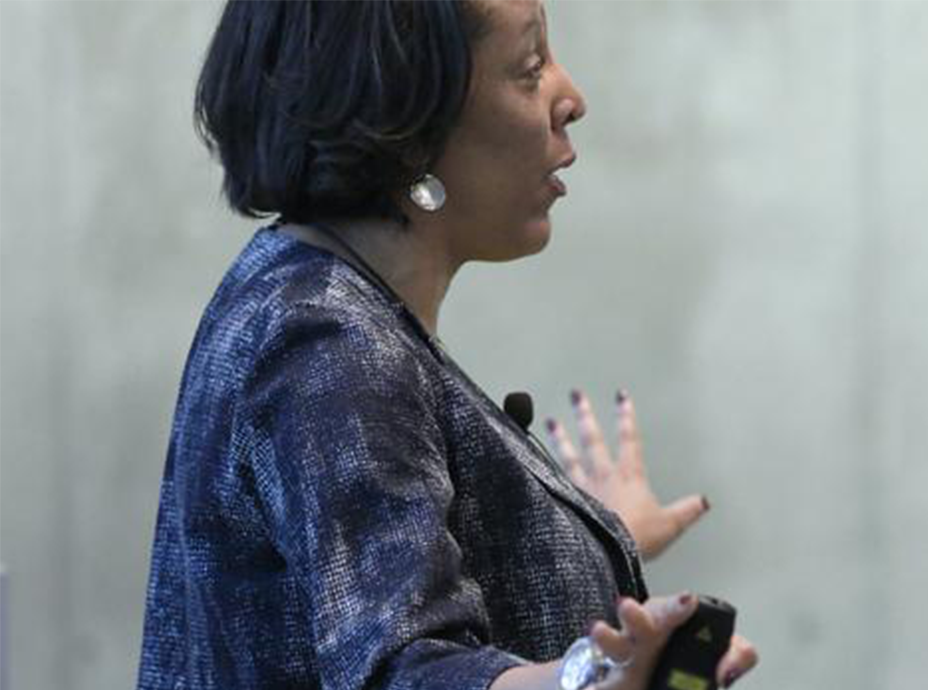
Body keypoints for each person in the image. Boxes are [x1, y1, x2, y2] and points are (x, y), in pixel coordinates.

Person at [135, 1, 758, 688]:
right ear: (406, 124)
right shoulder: (326, 343)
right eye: (530, 68)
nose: (571, 98)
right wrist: (588, 678)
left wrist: (586, 539)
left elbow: (363, 577)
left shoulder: (303, 298)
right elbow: (407, 668)